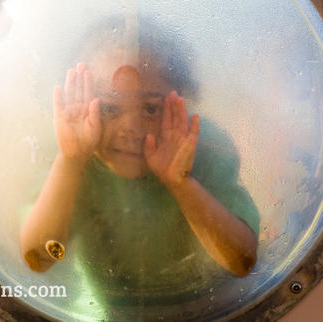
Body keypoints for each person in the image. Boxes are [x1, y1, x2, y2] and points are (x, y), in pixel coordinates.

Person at [20, 17, 259, 305]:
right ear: (82, 101)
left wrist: (180, 183)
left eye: (150, 108)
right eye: (108, 107)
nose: (131, 127)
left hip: (214, 308)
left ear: (181, 98)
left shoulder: (202, 145)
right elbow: (39, 257)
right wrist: (71, 162)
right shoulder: (71, 151)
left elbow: (240, 261)